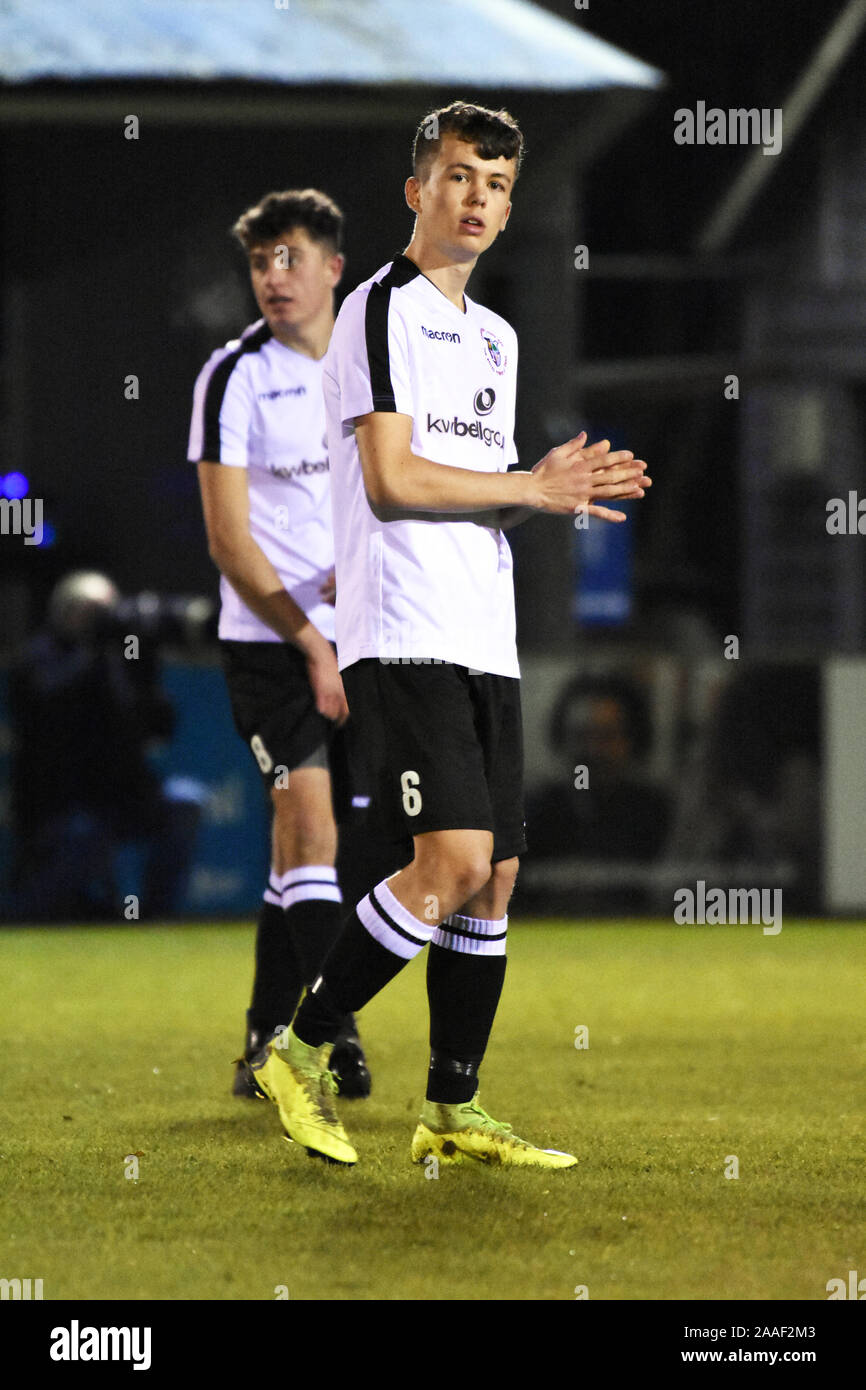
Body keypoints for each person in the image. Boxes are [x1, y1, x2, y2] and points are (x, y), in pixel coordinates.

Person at [248, 102, 650, 1168]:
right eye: (460, 176)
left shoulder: (495, 336)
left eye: (499, 186)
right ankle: (296, 1049)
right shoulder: (377, 309)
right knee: (453, 859)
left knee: (498, 872)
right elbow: (388, 481)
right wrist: (527, 480)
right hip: (405, 626)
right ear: (415, 188)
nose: (478, 200)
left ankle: (450, 1108)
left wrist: (553, 491)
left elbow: (472, 490)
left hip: (484, 631)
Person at [189, 190, 391, 1100]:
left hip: (368, 640)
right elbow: (230, 540)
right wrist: (310, 640)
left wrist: (372, 559)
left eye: (291, 258)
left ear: (333, 268)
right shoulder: (233, 376)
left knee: (311, 853)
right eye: (262, 261)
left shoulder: (365, 368)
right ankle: (333, 1039)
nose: (274, 276)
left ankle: (263, 1037)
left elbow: (390, 487)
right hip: (272, 645)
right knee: (307, 826)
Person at [6, 571, 204, 922]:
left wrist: (145, 661)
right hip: (62, 800)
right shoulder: (40, 657)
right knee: (85, 837)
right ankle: (26, 915)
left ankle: (155, 918)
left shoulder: (124, 657)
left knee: (184, 803)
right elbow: (49, 706)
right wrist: (95, 653)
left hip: (123, 796)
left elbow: (158, 727)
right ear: (64, 610)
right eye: (90, 612)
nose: (100, 621)